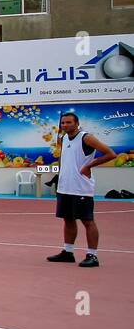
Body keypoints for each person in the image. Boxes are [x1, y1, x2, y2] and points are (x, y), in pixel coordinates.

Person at [48, 110, 115, 268]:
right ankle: (68, 252)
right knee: (68, 219)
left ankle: (93, 255)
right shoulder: (64, 138)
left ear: (77, 123)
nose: (65, 125)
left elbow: (111, 154)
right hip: (65, 187)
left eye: (69, 122)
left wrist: (89, 165)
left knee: (87, 221)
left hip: (81, 187)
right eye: (63, 123)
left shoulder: (86, 137)